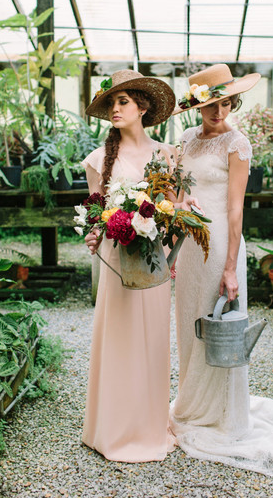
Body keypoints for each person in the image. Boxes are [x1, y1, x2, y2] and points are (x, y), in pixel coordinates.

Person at [170, 63, 273, 474]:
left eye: (224, 101)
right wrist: (175, 229)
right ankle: (192, 403)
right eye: (209, 103)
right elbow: (176, 191)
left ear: (232, 100)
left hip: (222, 241)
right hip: (190, 245)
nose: (217, 110)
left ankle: (224, 414)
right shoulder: (186, 139)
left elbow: (236, 208)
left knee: (221, 324)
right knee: (190, 321)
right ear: (196, 106)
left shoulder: (236, 144)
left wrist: (229, 268)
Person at [81, 69, 178, 462]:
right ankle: (114, 429)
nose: (115, 110)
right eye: (111, 104)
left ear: (143, 106)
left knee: (153, 341)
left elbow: (173, 208)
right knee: (119, 341)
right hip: (117, 262)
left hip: (154, 262)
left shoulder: (167, 154)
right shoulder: (96, 159)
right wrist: (92, 232)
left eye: (122, 102)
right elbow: (94, 212)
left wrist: (170, 234)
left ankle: (150, 425)